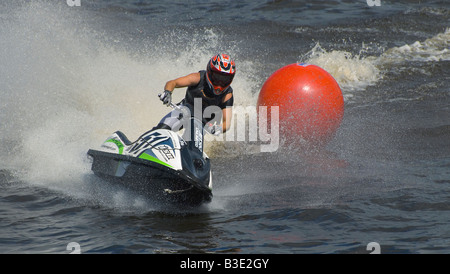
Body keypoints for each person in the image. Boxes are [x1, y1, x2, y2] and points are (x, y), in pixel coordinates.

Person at [156, 54, 236, 135]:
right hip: (183, 111)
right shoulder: (197, 78)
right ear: (209, 71)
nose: (219, 83)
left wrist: (218, 128)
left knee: (193, 140)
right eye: (217, 77)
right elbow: (173, 83)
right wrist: (167, 92)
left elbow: (227, 124)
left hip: (201, 124)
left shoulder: (227, 95)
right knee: (160, 130)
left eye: (224, 79)